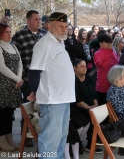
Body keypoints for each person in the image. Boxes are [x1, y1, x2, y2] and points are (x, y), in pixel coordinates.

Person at [27, 9, 75, 159]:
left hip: (63, 98)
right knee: (50, 140)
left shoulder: (60, 43)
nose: (65, 29)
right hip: (52, 99)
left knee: (61, 137)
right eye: (61, 26)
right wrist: (36, 92)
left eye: (66, 26)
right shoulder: (45, 44)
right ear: (50, 26)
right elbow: (34, 72)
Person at [12, 9, 47, 147]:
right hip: (27, 80)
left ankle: (42, 133)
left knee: (43, 109)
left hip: (45, 79)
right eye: (36, 19)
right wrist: (18, 78)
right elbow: (15, 59)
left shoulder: (45, 35)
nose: (39, 21)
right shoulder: (19, 36)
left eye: (40, 19)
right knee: (28, 110)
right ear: (28, 20)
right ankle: (25, 134)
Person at [0, 19, 23, 152]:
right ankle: (2, 139)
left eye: (10, 32)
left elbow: (20, 63)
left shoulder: (13, 46)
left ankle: (9, 138)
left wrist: (18, 79)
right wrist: (17, 79)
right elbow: (1, 67)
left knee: (10, 114)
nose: (9, 34)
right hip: (3, 86)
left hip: (14, 86)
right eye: (6, 32)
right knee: (2, 114)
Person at [71, 59, 101, 153]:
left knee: (100, 114)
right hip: (78, 107)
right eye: (82, 66)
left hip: (91, 105)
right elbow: (76, 100)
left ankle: (93, 141)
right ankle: (89, 143)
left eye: (85, 66)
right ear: (75, 68)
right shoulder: (73, 80)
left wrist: (95, 104)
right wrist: (89, 108)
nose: (85, 68)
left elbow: (94, 94)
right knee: (90, 116)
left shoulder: (88, 78)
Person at [93, 34, 119, 105]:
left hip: (113, 83)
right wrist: (109, 52)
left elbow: (117, 63)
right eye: (107, 42)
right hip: (103, 83)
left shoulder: (113, 52)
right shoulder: (97, 53)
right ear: (101, 43)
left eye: (110, 42)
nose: (109, 44)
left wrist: (111, 51)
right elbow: (99, 64)